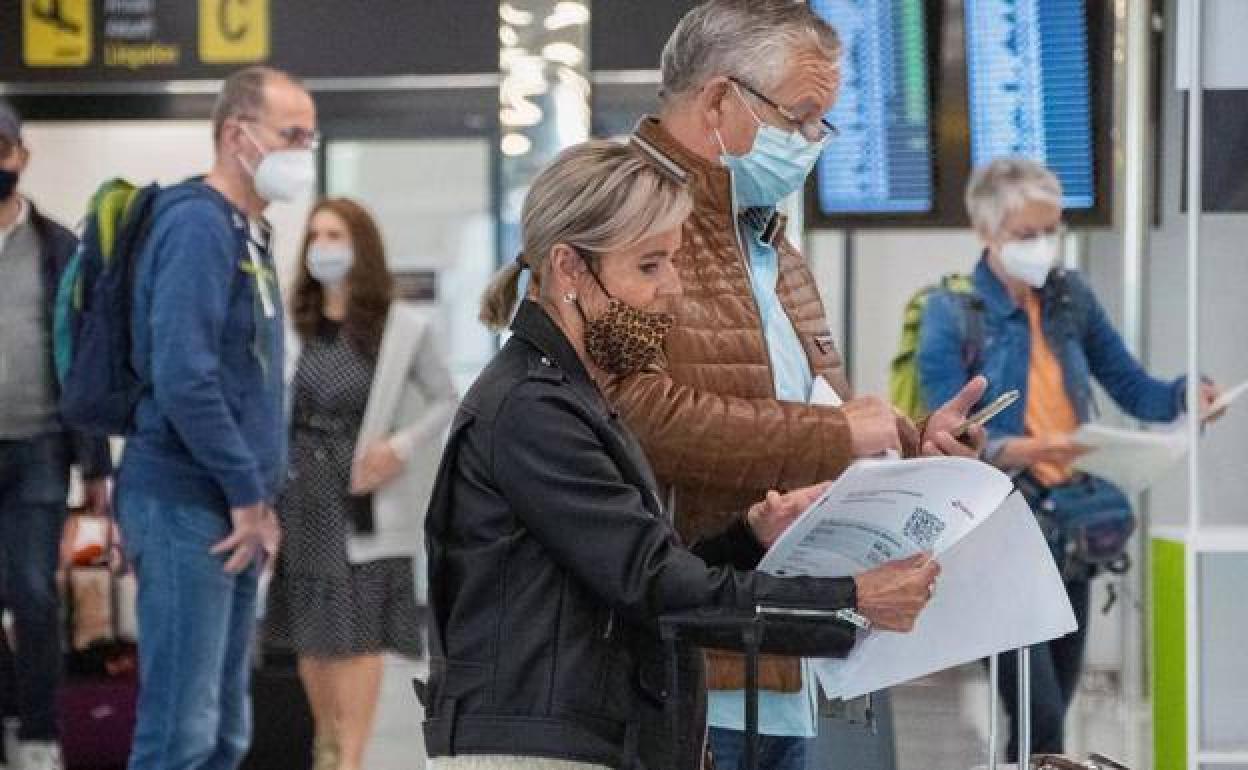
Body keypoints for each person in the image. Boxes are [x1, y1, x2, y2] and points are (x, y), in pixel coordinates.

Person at [421, 139, 942, 770]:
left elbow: (626, 572)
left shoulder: (566, 397)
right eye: (649, 266)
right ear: (569, 269)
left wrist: (747, 537)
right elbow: (654, 587)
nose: (672, 290)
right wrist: (851, 598)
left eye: (671, 263)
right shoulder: (532, 409)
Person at [605, 3, 986, 767]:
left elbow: (808, 405)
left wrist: (910, 445)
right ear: (719, 101)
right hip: (684, 653)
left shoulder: (768, 238)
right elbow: (629, 415)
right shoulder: (624, 226)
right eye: (802, 116)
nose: (813, 141)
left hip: (790, 650)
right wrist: (838, 435)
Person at [917, 157, 1225, 761]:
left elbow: (1134, 387)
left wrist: (1190, 395)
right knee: (1037, 712)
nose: (1043, 246)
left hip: (1073, 532)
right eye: (1026, 233)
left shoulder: (1070, 299)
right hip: (999, 530)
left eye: (1051, 229)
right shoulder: (948, 313)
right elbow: (943, 434)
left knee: (1052, 712)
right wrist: (1044, 447)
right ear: (987, 232)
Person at [114, 66, 316, 770]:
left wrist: (261, 494)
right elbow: (185, 379)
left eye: (310, 137)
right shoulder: (197, 226)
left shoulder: (248, 231)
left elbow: (249, 381)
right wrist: (245, 494)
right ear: (238, 135)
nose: (304, 151)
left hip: (229, 507)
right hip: (185, 504)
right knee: (180, 735)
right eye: (293, 135)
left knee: (225, 731)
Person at [265, 198, 457, 770]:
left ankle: (349, 758)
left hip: (363, 500)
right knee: (309, 633)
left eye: (336, 235)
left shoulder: (398, 327)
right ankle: (325, 743)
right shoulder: (292, 321)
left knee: (357, 634)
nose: (324, 247)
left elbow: (446, 398)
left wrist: (398, 448)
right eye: (316, 236)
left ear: (361, 246)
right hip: (300, 497)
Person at [0, 99, 113, 770]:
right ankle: (10, 709)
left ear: (21, 156)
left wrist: (96, 465)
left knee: (34, 592)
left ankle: (39, 734)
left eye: (1, 149)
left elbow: (85, 358)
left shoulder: (59, 247)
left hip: (41, 446)